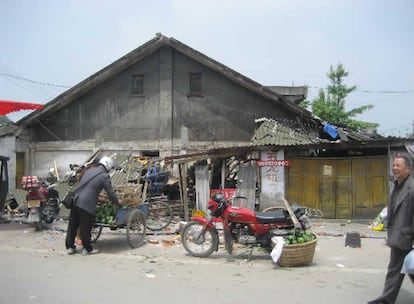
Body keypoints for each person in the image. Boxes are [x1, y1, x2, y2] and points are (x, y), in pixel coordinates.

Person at [368, 153, 414, 304]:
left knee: (404, 268)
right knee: (397, 269)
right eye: (393, 165)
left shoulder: (412, 188)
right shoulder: (396, 186)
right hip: (398, 236)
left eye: (398, 165)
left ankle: (386, 300)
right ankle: (386, 300)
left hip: (408, 237)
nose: (394, 168)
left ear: (408, 168)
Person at [65, 156, 121, 255]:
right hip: (87, 203)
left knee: (73, 225)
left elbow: (88, 187)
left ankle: (70, 247)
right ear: (108, 166)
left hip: (76, 200)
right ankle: (87, 249)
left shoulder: (89, 171)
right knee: (85, 226)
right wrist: (117, 202)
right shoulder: (104, 176)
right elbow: (110, 192)